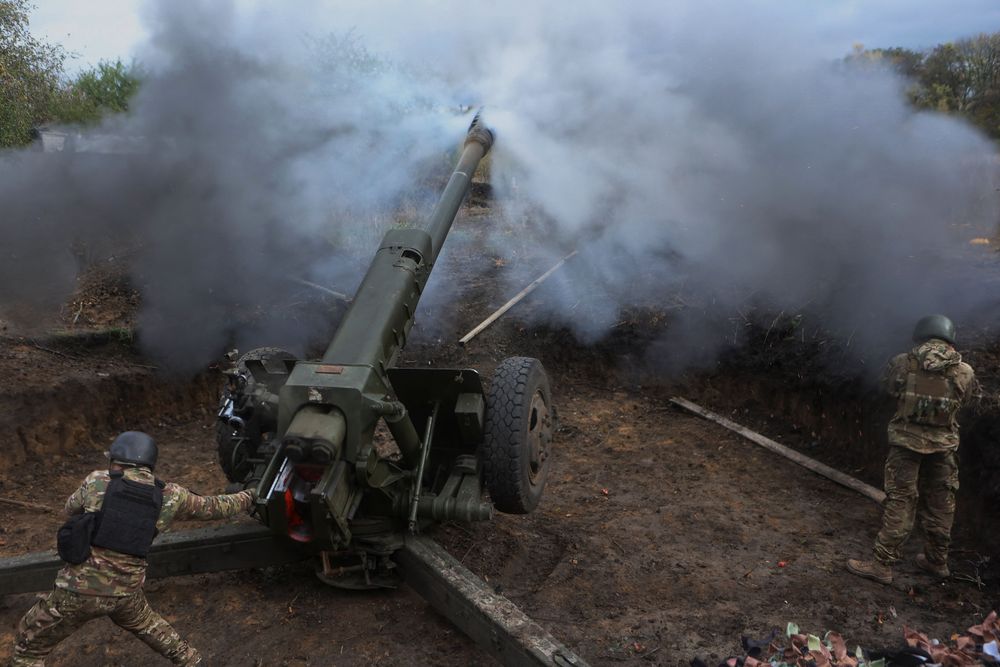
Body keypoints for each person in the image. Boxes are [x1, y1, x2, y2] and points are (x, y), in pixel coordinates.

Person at [9, 431, 256, 666]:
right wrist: (250, 495)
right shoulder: (171, 495)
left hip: (78, 591)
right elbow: (215, 507)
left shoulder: (97, 481)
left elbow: (70, 509)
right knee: (151, 627)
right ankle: (192, 661)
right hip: (126, 592)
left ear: (118, 461)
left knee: (28, 648)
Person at [846, 314, 976, 585]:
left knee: (901, 501)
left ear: (921, 334)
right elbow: (966, 400)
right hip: (943, 447)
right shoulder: (964, 371)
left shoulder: (903, 362)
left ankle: (882, 564)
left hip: (906, 444)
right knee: (942, 503)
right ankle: (936, 560)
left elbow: (890, 389)